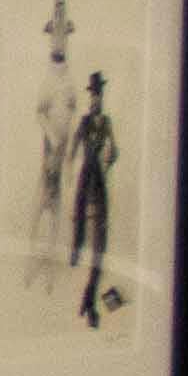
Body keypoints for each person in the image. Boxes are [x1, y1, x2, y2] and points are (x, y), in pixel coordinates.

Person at [68, 72, 120, 327]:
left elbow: (115, 150)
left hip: (98, 176)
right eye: (93, 95)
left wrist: (108, 162)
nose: (96, 99)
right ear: (90, 97)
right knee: (79, 213)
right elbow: (74, 147)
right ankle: (76, 248)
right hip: (86, 175)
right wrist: (71, 164)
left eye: (99, 95)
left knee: (101, 231)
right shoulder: (86, 121)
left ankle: (89, 302)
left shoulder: (106, 122)